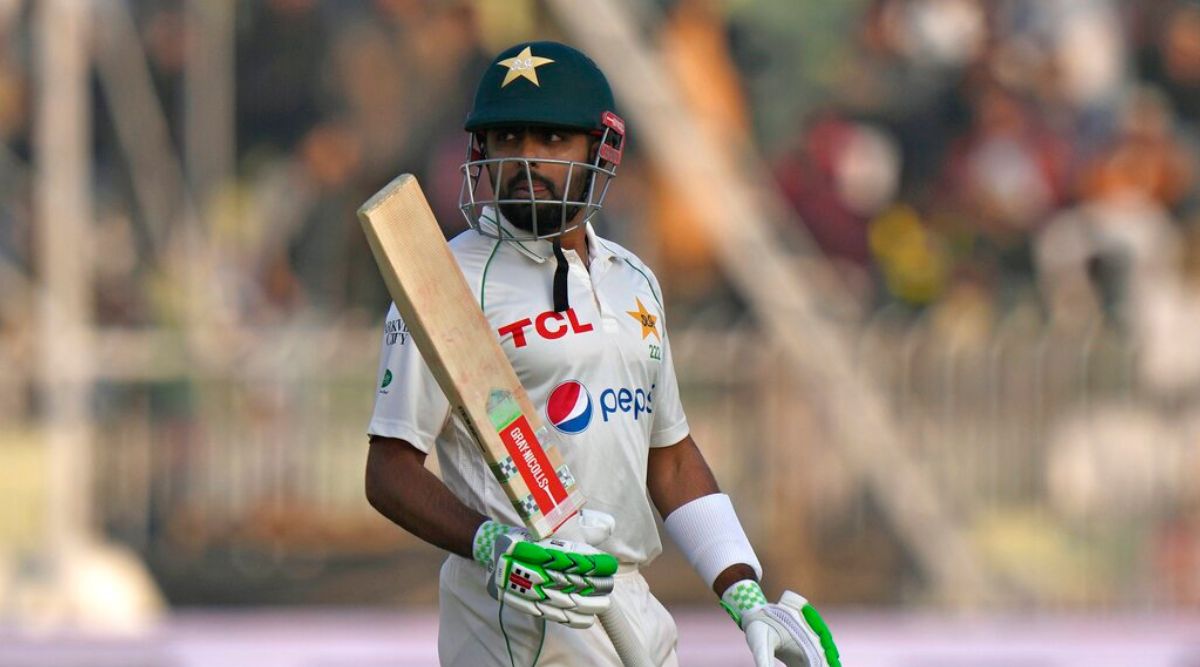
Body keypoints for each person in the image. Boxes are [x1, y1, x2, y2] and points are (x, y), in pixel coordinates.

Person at [364, 40, 840, 667]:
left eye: (553, 140)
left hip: (633, 610)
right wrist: (491, 544)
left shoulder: (632, 278)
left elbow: (668, 459)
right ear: (480, 151)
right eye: (508, 137)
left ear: (600, 150)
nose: (527, 158)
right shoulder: (442, 287)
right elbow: (389, 469)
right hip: (518, 624)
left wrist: (743, 591)